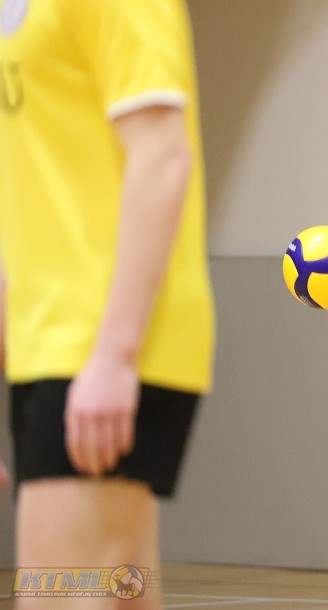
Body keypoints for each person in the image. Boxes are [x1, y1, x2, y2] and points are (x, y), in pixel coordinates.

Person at [0, 1, 214, 608]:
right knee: (118, 593)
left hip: (103, 341)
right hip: (45, 342)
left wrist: (115, 355)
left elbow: (162, 158)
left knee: (60, 591)